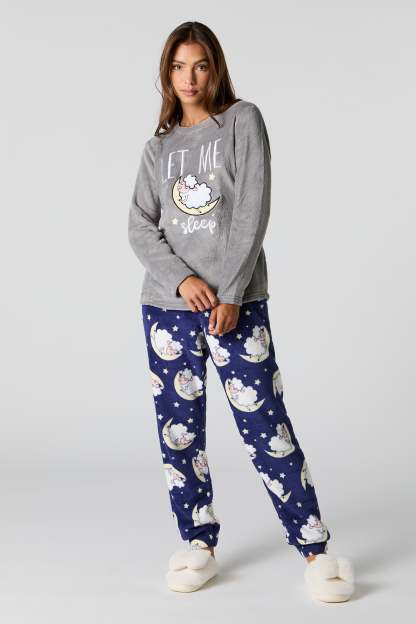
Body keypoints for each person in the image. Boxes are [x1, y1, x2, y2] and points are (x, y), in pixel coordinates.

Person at [128, 21, 355, 602]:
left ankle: (315, 548)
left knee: (266, 425)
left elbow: (254, 207)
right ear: (166, 73)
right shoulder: (158, 148)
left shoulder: (242, 122)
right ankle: (197, 542)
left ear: (216, 68)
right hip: (168, 308)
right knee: (180, 433)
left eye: (200, 65)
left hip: (237, 303)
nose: (189, 78)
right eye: (178, 66)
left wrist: (229, 292)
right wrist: (183, 280)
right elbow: (140, 227)